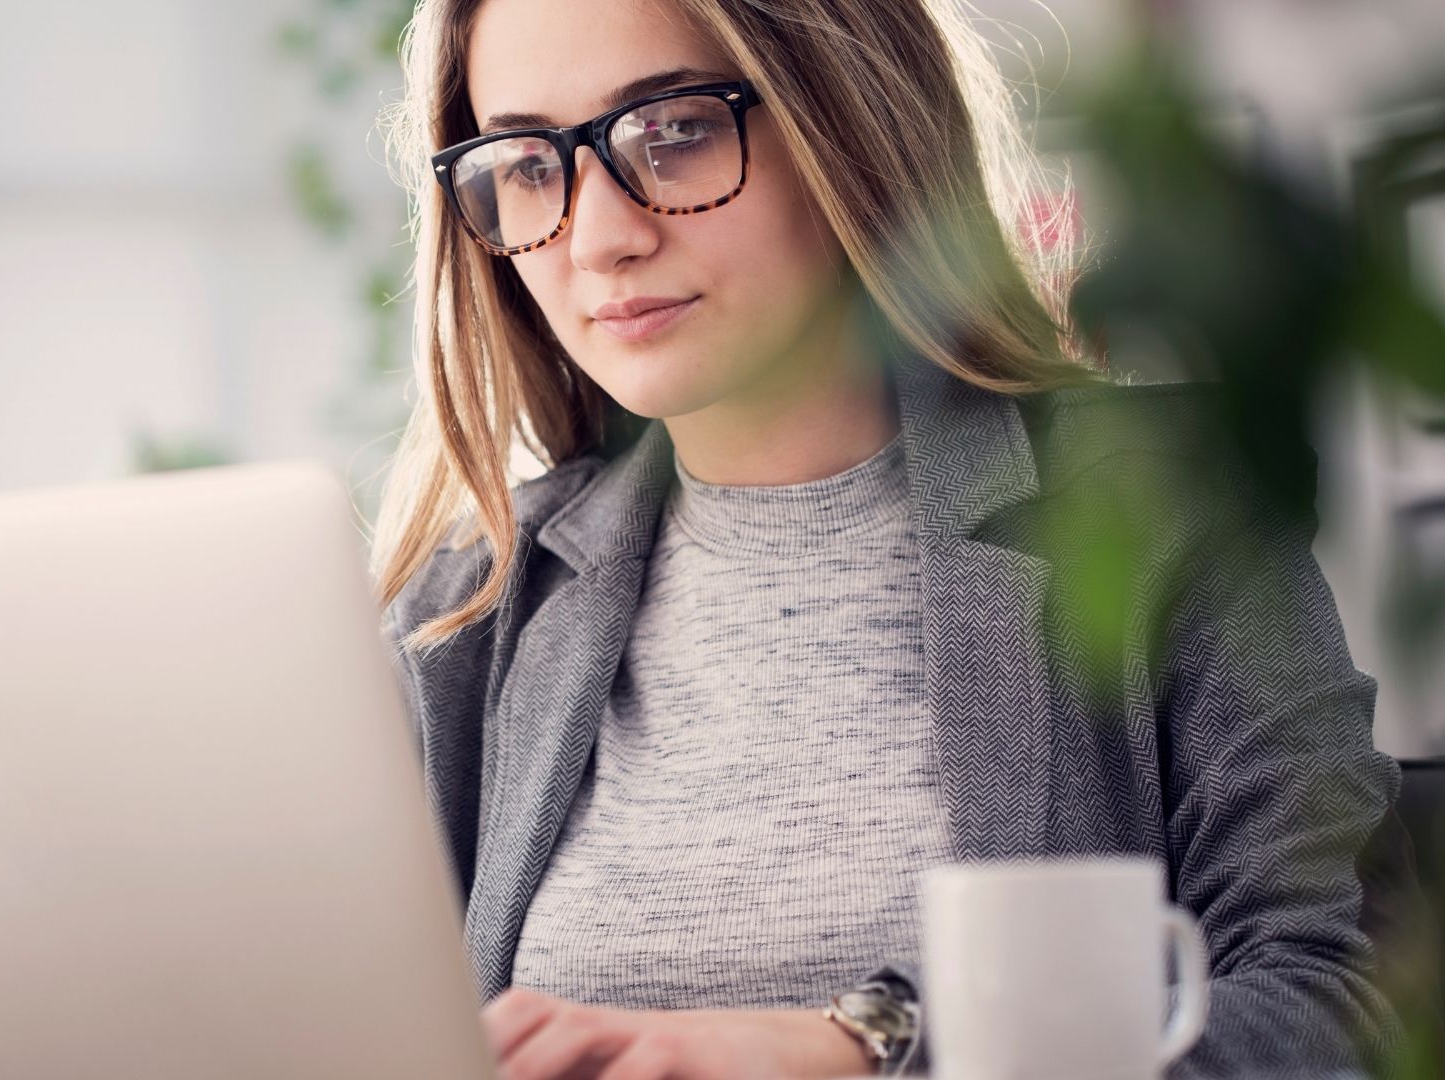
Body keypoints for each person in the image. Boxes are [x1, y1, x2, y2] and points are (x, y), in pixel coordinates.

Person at [369, 0, 1402, 1076]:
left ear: (847, 121)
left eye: (674, 132)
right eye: (530, 166)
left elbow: (1338, 1004)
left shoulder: (1162, 510)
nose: (600, 237)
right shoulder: (473, 610)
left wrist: (868, 1045)